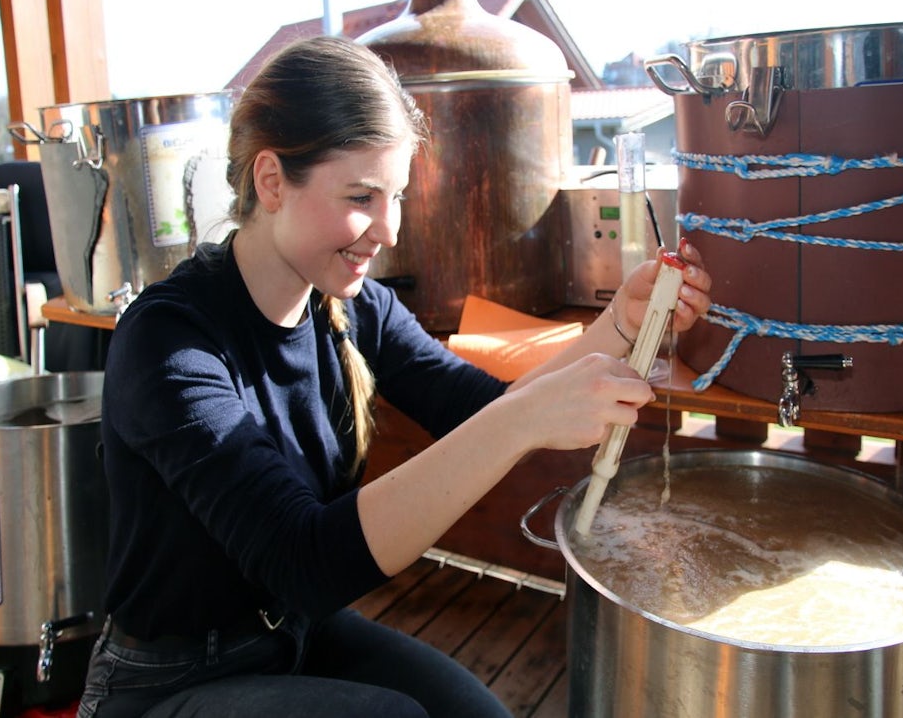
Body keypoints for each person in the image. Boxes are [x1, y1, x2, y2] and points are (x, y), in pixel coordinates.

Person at [77, 35, 712, 718]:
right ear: (271, 181)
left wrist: (619, 324)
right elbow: (305, 562)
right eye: (361, 196)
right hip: (166, 682)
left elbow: (483, 412)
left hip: (290, 635)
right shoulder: (170, 342)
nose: (389, 229)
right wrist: (522, 421)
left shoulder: (353, 306)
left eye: (397, 196)